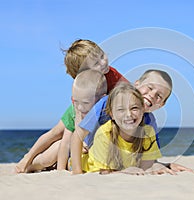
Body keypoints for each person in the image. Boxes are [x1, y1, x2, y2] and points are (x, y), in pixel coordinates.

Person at [15, 39, 127, 173]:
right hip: (84, 104)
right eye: (96, 63)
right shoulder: (82, 88)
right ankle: (27, 159)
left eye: (102, 56)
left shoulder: (112, 73)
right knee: (57, 132)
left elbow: (129, 92)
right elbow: (78, 125)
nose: (104, 62)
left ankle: (53, 163)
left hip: (96, 106)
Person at [71, 69, 194, 175]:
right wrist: (77, 173)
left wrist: (166, 165)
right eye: (150, 88)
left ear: (161, 104)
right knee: (59, 146)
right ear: (136, 84)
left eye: (159, 96)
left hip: (114, 159)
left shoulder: (149, 123)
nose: (152, 95)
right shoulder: (108, 102)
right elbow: (77, 136)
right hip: (86, 150)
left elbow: (147, 157)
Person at [24, 69, 107, 172]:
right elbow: (66, 142)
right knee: (47, 159)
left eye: (85, 103)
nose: (80, 107)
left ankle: (52, 166)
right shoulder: (76, 111)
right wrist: (60, 170)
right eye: (75, 101)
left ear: (101, 100)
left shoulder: (104, 113)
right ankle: (31, 166)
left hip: (79, 157)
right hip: (67, 150)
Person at [81, 83, 161, 174]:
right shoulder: (105, 133)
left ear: (143, 110)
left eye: (134, 108)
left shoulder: (148, 132)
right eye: (121, 109)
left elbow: (146, 167)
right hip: (88, 167)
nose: (128, 114)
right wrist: (125, 172)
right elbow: (104, 172)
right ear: (112, 114)